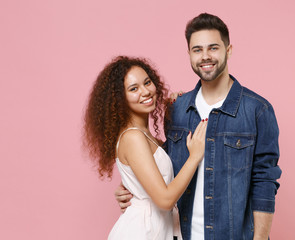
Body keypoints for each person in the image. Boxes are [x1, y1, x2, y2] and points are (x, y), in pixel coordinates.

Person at [115, 13, 282, 240]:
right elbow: (161, 165)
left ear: (228, 50)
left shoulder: (257, 110)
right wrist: (133, 189)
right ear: (189, 54)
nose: (205, 56)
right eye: (197, 50)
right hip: (180, 235)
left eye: (213, 48)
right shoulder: (177, 110)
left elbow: (264, 181)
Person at [83, 55, 208, 240]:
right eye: (134, 89)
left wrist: (177, 107)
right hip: (143, 232)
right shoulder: (133, 137)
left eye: (147, 82)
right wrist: (195, 157)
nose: (145, 91)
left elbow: (152, 176)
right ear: (120, 99)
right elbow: (165, 200)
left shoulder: (146, 136)